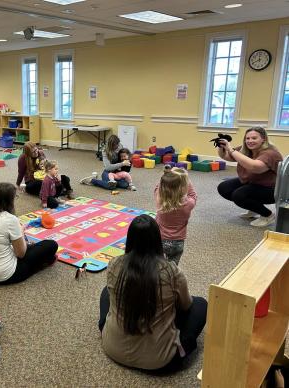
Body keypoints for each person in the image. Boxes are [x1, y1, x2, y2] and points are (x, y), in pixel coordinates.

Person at [99, 214, 207, 371]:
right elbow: (186, 306)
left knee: (106, 293)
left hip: (112, 348)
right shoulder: (171, 271)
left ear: (129, 240)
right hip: (160, 362)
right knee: (201, 304)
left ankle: (113, 330)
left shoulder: (114, 264)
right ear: (158, 241)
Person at [0, 182, 58, 284]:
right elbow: (21, 254)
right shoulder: (10, 219)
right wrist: (20, 231)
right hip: (3, 276)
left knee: (28, 247)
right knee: (51, 245)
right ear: (10, 200)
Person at [217, 127, 283, 227]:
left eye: (254, 138)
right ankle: (254, 209)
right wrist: (221, 147)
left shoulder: (270, 153)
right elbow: (226, 157)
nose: (250, 141)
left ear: (263, 139)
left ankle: (268, 215)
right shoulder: (246, 149)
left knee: (238, 195)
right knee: (224, 188)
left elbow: (255, 167)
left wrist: (231, 150)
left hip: (270, 189)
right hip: (253, 182)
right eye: (247, 138)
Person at [155, 167, 197, 265]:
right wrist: (185, 179)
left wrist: (167, 175)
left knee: (158, 264)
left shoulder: (160, 201)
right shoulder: (188, 204)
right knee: (173, 266)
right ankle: (171, 277)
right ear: (184, 187)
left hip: (160, 240)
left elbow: (158, 187)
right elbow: (193, 195)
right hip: (178, 243)